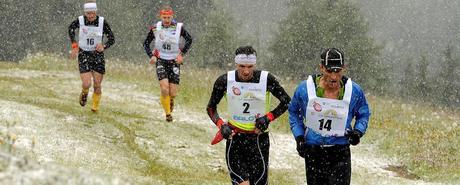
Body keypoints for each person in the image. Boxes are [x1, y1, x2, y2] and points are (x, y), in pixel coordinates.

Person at [207, 46, 291, 185]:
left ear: (255, 64)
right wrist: (221, 125)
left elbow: (286, 101)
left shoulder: (266, 79)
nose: (246, 71)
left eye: (250, 66)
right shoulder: (225, 80)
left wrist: (268, 118)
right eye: (242, 66)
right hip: (235, 138)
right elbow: (211, 108)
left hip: (258, 140)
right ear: (236, 64)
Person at [288, 48, 371, 185]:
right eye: (329, 71)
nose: (333, 77)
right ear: (321, 67)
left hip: (340, 151)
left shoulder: (353, 90)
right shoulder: (305, 89)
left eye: (337, 71)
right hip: (314, 150)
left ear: (344, 68)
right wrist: (299, 137)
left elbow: (363, 114)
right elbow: (293, 112)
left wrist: (358, 132)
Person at [143, 5, 193, 122]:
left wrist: (181, 55)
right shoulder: (156, 28)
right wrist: (151, 56)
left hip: (174, 61)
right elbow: (146, 43)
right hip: (161, 59)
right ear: (161, 17)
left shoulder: (179, 27)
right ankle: (168, 114)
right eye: (164, 17)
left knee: (173, 93)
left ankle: (170, 100)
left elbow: (189, 40)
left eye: (168, 17)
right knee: (164, 88)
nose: (166, 20)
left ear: (172, 17)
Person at [68, 0, 115, 112]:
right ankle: (84, 93)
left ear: (96, 12)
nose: (90, 16)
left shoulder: (102, 22)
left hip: (97, 55)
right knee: (86, 83)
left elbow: (112, 38)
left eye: (92, 13)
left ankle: (95, 107)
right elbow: (70, 29)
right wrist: (74, 44)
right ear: (85, 13)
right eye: (88, 13)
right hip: (84, 53)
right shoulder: (80, 20)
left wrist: (104, 46)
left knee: (97, 84)